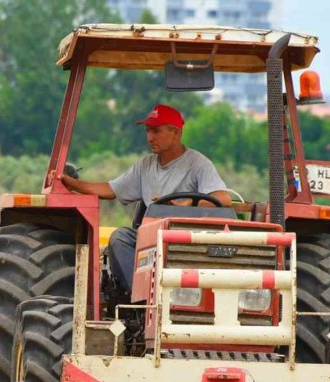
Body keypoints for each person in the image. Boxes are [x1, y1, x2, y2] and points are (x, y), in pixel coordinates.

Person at [59, 103, 232, 291]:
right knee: (120, 238)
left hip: (186, 238)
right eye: (148, 131)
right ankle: (142, 297)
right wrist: (75, 185)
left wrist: (188, 204)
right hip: (150, 238)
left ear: (176, 133)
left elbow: (223, 199)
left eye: (156, 131)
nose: (150, 138)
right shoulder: (145, 165)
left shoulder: (198, 164)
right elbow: (111, 189)